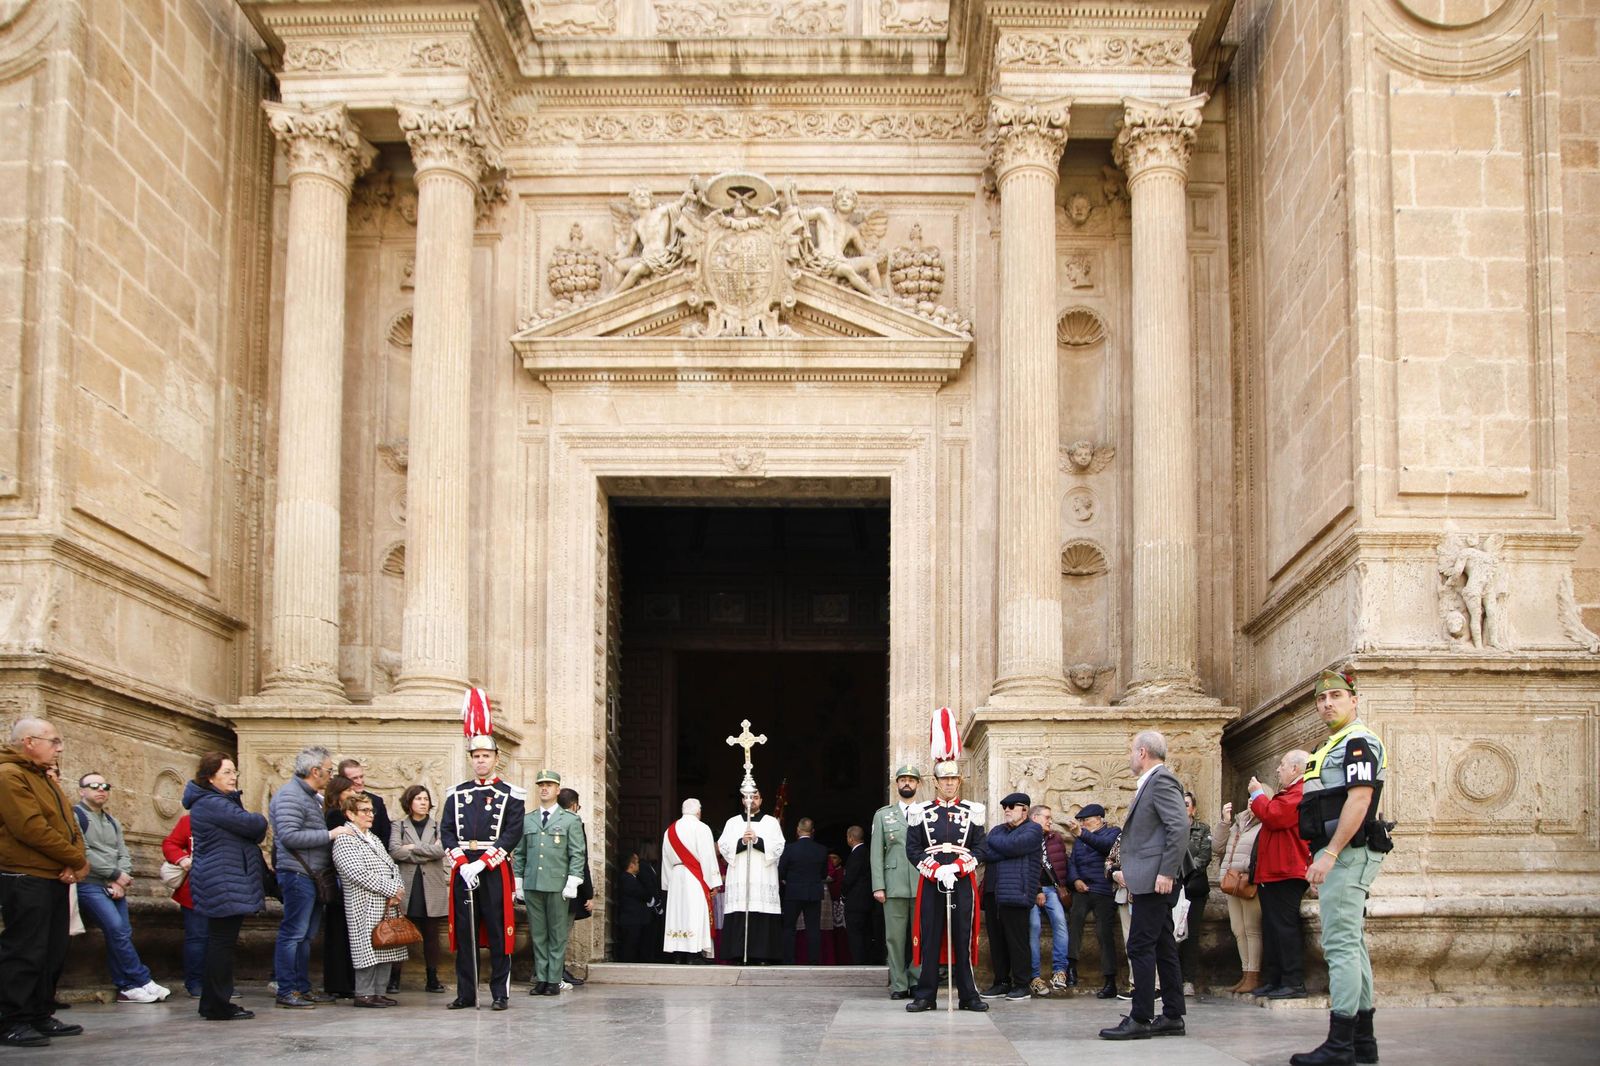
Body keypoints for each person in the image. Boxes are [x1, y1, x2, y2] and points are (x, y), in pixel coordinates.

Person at [1290, 669, 1390, 1066]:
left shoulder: (1359, 740)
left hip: (1347, 853)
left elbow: (1360, 799)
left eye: (1335, 695)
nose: (1327, 703)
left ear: (1354, 699)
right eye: (1321, 698)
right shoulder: (1333, 742)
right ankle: (1362, 1042)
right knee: (1354, 946)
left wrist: (1329, 854)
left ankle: (1341, 1042)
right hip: (1340, 853)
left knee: (1340, 946)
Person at [0, 718, 87, 1047]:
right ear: (28, 742)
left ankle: (38, 1011)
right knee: (25, 949)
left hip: (52, 873)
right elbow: (30, 828)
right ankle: (11, 1018)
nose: (59, 747)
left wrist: (74, 858)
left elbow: (69, 822)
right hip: (25, 875)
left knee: (52, 949)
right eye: (53, 741)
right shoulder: (10, 775)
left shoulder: (42, 776)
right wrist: (74, 860)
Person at [1099, 731, 1188, 1040]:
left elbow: (1178, 827)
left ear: (1142, 753)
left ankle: (1140, 1017)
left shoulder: (1161, 780)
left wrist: (1166, 872)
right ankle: (1173, 1014)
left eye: (1130, 751)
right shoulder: (1152, 782)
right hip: (1150, 878)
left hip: (1155, 880)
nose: (1129, 757)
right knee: (1163, 945)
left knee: (1139, 944)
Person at [441, 733, 524, 1010]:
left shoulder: (512, 795)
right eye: (476, 756)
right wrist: (463, 863)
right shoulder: (456, 794)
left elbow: (512, 833)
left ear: (496, 759)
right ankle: (466, 993)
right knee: (466, 932)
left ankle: (500, 993)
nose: (481, 761)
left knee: (499, 931)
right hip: (464, 869)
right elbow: (447, 831)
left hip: (493, 868)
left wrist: (483, 862)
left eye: (486, 756)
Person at [73, 771, 171, 1002]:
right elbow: (82, 852)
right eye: (94, 785)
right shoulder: (76, 816)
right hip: (90, 884)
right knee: (116, 929)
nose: (100, 789)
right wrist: (115, 874)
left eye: (105, 786)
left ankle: (126, 986)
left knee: (121, 933)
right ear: (81, 791)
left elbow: (123, 852)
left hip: (114, 885)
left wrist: (121, 876)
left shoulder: (112, 821)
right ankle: (142, 979)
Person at [183, 752, 266, 1021]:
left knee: (221, 943)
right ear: (210, 776)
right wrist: (259, 820)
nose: (233, 777)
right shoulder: (212, 803)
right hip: (222, 881)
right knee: (220, 944)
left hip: (225, 879)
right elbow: (253, 825)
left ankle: (213, 1003)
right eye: (227, 772)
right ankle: (218, 1004)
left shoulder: (219, 802)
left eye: (234, 772)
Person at [270, 745, 351, 1009]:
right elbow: (289, 835)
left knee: (306, 935)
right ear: (314, 771)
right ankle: (287, 989)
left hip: (313, 875)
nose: (330, 775)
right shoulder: (290, 796)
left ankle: (302, 987)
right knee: (293, 934)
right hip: (297, 874)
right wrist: (330, 834)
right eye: (328, 770)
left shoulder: (311, 796)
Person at [905, 759, 987, 1013]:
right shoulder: (921, 811)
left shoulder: (972, 811)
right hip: (932, 881)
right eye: (944, 779)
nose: (949, 783)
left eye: (953, 779)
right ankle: (926, 995)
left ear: (959, 781)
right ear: (936, 783)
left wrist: (958, 868)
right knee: (930, 936)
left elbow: (981, 848)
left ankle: (968, 996)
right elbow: (913, 849)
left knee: (963, 937)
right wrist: (936, 870)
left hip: (961, 882)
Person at [512, 769, 586, 995]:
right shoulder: (528, 819)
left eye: (549, 785)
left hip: (557, 885)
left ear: (557, 790)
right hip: (534, 884)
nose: (544, 788)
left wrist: (573, 881)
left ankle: (553, 979)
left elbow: (577, 853)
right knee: (538, 933)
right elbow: (520, 853)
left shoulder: (569, 820)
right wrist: (518, 882)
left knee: (557, 934)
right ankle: (541, 978)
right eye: (541, 785)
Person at [331, 791, 407, 1007]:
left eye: (371, 810)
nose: (370, 815)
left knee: (385, 946)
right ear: (350, 814)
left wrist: (398, 888)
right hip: (364, 902)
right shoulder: (346, 839)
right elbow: (356, 873)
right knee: (366, 947)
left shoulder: (373, 838)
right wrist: (391, 888)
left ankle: (378, 992)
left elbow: (391, 865)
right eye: (364, 811)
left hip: (386, 902)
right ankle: (364, 993)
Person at [1248, 750, 1312, 1000]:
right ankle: (1274, 979)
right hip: (1274, 871)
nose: (1278, 770)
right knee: (1271, 927)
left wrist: (1257, 794)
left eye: (1283, 765)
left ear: (1296, 769)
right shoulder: (1288, 793)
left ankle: (1293, 980)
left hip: (1287, 871)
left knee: (1284, 927)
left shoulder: (1300, 792)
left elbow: (1274, 816)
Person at [979, 792, 1044, 1001]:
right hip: (993, 892)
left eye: (1011, 806)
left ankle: (1022, 984)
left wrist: (1002, 846)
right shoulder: (998, 830)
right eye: (1004, 806)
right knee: (996, 940)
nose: (1006, 809)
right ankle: (1001, 982)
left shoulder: (1034, 830)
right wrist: (1006, 848)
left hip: (1017, 891)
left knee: (1017, 940)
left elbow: (1015, 846)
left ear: (1024, 809)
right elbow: (985, 851)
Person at [388, 785, 448, 993]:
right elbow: (395, 850)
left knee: (432, 935)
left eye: (426, 799)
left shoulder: (438, 826)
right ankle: (394, 978)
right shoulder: (399, 825)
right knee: (400, 932)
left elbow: (441, 850)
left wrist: (412, 848)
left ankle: (432, 978)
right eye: (418, 799)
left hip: (431, 886)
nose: (423, 802)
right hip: (408, 885)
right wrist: (426, 852)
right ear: (409, 802)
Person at [870, 765, 923, 998]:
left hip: (922, 882)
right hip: (893, 885)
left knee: (920, 936)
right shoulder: (883, 815)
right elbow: (876, 853)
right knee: (894, 938)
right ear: (897, 784)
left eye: (912, 780)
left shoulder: (926, 812)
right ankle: (899, 984)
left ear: (918, 784)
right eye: (903, 780)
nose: (907, 784)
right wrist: (878, 885)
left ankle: (917, 979)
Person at [716, 786, 786, 963]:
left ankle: (763, 955)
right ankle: (738, 954)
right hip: (740, 875)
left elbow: (779, 846)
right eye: (748, 797)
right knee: (741, 913)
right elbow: (723, 846)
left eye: (755, 797)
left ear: (761, 800)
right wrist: (741, 842)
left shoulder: (771, 822)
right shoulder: (732, 823)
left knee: (761, 913)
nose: (751, 800)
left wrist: (757, 841)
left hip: (763, 875)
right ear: (742, 800)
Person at [1064, 802, 1121, 998]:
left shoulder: (1113, 833)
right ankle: (1071, 967)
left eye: (1086, 820)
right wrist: (1076, 880)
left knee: (1104, 931)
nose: (1084, 824)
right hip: (1083, 888)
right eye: (1082, 821)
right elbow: (1072, 863)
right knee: (1075, 920)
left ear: (1099, 819)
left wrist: (1082, 834)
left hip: (1104, 889)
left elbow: (1106, 848)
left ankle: (1110, 979)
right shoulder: (1080, 838)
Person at [1214, 798, 1264, 993]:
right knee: (1238, 928)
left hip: (1248, 880)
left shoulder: (1263, 824)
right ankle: (1245, 974)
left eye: (1256, 799)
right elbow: (1218, 848)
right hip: (1231, 881)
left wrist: (1244, 867)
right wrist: (1225, 823)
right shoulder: (1238, 823)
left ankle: (1254, 974)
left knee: (1252, 928)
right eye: (1249, 799)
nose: (1251, 803)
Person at [661, 798, 720, 961]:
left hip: (676, 875)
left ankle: (678, 955)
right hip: (695, 877)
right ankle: (693, 954)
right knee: (694, 913)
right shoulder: (701, 828)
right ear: (698, 811)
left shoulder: (669, 830)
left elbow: (666, 859)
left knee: (678, 914)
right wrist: (713, 883)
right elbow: (708, 856)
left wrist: (667, 883)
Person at [160, 812, 205, 998]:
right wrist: (182, 858)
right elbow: (171, 844)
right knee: (197, 938)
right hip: (194, 890)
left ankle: (219, 981)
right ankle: (196, 982)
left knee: (220, 939)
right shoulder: (190, 820)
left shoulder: (230, 820)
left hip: (222, 889)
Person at [1028, 804, 1071, 995]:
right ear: (1034, 817)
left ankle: (1060, 971)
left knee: (1061, 923)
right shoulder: (1026, 838)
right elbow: (1026, 867)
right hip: (1031, 890)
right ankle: (1034, 976)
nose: (1050, 821)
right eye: (1047, 817)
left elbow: (1062, 864)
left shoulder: (1055, 838)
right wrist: (1037, 890)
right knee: (1034, 926)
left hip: (1052, 890)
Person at [321, 775, 357, 999]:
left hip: (338, 879)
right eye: (348, 790)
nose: (353, 793)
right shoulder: (335, 815)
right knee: (339, 932)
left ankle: (341, 982)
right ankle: (340, 983)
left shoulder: (335, 813)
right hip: (338, 880)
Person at [557, 787, 594, 989]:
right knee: (561, 933)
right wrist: (588, 893)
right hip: (569, 888)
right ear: (574, 805)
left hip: (549, 885)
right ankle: (557, 972)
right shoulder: (574, 823)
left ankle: (548, 971)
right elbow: (581, 860)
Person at [779, 817, 828, 965]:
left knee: (788, 927)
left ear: (798, 831)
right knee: (813, 928)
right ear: (812, 832)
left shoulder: (789, 849)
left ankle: (789, 959)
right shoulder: (821, 850)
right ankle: (813, 960)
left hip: (793, 892)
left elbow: (781, 871)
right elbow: (824, 873)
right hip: (813, 892)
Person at [1178, 791, 1213, 995]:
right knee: (1173, 934)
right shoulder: (1170, 829)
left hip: (1194, 888)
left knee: (1191, 935)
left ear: (1194, 809)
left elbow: (1204, 857)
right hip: (1174, 887)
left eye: (1187, 804)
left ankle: (1188, 979)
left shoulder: (1203, 829)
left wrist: (1183, 872)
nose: (1183, 808)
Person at [339, 759, 392, 866]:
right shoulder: (337, 805)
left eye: (361, 776)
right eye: (354, 778)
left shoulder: (377, 801)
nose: (359, 781)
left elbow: (385, 833)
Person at [841, 825, 873, 966]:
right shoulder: (867, 851)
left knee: (855, 933)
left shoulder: (856, 853)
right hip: (867, 899)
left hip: (855, 900)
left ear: (850, 838)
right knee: (865, 932)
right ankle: (866, 959)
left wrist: (843, 893)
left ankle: (858, 961)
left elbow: (850, 878)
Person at [616, 851, 655, 962]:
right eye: (637, 863)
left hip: (635, 920)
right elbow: (642, 893)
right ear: (631, 865)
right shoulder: (626, 878)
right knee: (629, 947)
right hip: (630, 920)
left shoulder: (633, 878)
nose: (639, 865)